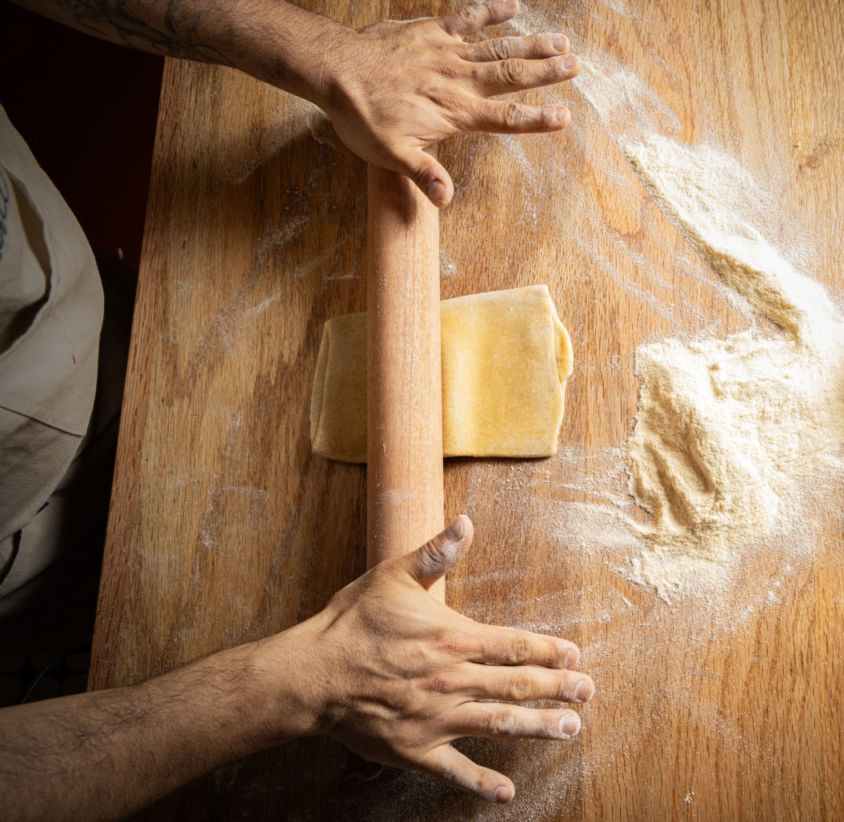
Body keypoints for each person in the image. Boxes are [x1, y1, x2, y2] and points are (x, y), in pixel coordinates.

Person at [0, 0, 593, 817]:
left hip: (81, 309)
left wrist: (321, 55)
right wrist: (307, 682)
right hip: (16, 526)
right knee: (113, 614)